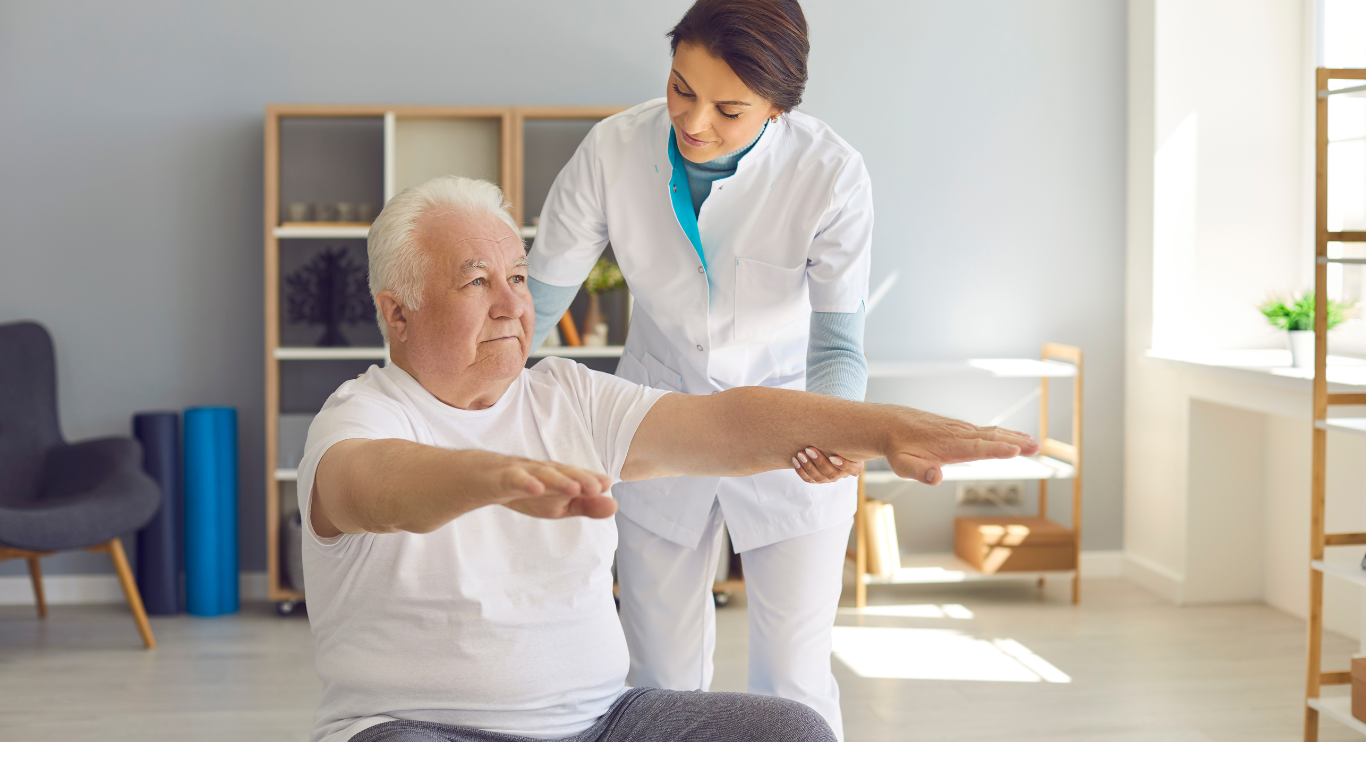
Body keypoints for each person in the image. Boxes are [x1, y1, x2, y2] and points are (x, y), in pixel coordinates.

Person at [298, 175, 1038, 742]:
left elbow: (723, 423)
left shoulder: (568, 394)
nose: (511, 306)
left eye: (519, 278)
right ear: (397, 311)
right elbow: (381, 487)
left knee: (795, 735)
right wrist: (493, 477)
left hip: (603, 723)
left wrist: (883, 429)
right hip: (418, 730)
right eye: (476, 282)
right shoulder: (359, 416)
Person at [527, 0, 870, 737]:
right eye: (681, 88)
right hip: (659, 418)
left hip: (788, 430)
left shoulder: (831, 174)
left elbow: (838, 351)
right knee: (660, 679)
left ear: (777, 110)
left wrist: (835, 434)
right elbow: (532, 308)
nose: (694, 122)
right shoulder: (613, 150)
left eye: (730, 109)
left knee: (795, 683)